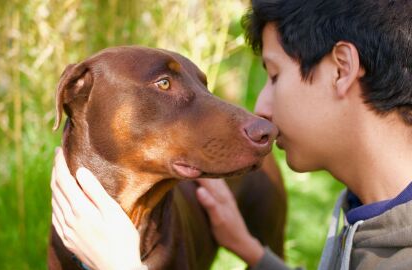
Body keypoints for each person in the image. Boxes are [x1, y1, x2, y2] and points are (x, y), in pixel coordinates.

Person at [51, 0, 412, 269]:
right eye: (164, 84)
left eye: (273, 75)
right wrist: (253, 253)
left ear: (342, 70)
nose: (262, 112)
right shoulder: (362, 212)